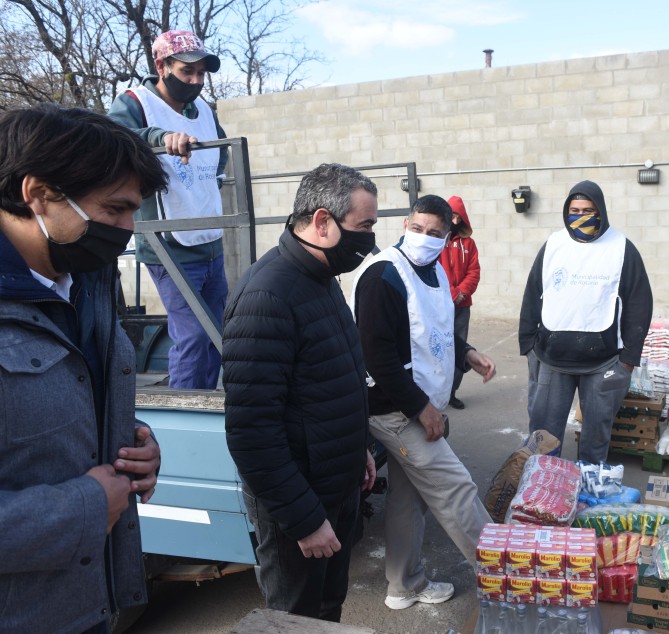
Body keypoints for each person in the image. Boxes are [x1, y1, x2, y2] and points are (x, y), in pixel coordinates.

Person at [0, 105, 164, 632]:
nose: (126, 229)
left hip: (88, 604)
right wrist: (85, 508)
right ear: (38, 193)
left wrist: (133, 444)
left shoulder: (87, 281)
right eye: (114, 209)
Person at [222, 163, 378, 621]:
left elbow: (337, 380)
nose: (370, 239)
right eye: (364, 226)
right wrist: (305, 521)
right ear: (323, 221)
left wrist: (359, 450)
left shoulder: (321, 279)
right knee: (296, 618)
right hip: (299, 501)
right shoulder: (266, 295)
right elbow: (252, 433)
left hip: (336, 483)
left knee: (328, 608)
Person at [353, 194, 496, 610]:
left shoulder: (434, 271)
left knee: (408, 498)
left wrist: (466, 352)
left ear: (448, 237)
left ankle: (403, 586)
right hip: (391, 409)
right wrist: (421, 408)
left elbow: (434, 326)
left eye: (435, 233)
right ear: (404, 224)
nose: (424, 238)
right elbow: (376, 356)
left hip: (413, 403)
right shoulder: (383, 277)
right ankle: (509, 576)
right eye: (417, 228)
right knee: (455, 489)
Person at [109, 29, 229, 389]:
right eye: (185, 72)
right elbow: (114, 141)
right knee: (192, 336)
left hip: (210, 237)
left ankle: (206, 402)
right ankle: (186, 415)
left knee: (217, 334)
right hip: (168, 244)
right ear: (161, 66)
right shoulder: (134, 102)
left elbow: (219, 156)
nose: (194, 81)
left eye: (200, 74)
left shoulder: (204, 109)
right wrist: (159, 138)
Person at [519, 180, 653, 463]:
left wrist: (628, 360)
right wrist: (528, 345)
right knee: (542, 438)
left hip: (604, 363)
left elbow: (639, 303)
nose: (581, 216)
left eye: (588, 210)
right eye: (574, 209)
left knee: (595, 440)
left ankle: (588, 497)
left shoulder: (621, 248)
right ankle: (539, 498)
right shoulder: (554, 245)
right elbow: (533, 293)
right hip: (551, 360)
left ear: (600, 211)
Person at [438, 195, 481, 409]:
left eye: (457, 217)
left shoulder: (468, 244)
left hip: (462, 307)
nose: (454, 221)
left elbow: (474, 271)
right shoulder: (437, 240)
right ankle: (435, 391)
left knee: (459, 348)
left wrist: (462, 292)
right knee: (438, 347)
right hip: (440, 306)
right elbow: (435, 270)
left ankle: (452, 392)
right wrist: (452, 293)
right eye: (451, 216)